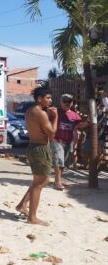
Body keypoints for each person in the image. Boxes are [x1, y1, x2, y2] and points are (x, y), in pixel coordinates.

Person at [16, 87, 58, 226]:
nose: (50, 100)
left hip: (32, 146)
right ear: (39, 99)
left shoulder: (29, 111)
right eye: (48, 98)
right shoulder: (41, 113)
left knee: (43, 180)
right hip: (40, 149)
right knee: (39, 183)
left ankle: (22, 205)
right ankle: (32, 217)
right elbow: (51, 133)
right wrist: (56, 117)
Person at [50, 94, 89, 190]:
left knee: (64, 162)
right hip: (56, 140)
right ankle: (58, 182)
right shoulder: (56, 112)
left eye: (69, 101)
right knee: (59, 161)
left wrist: (88, 121)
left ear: (72, 102)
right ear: (60, 101)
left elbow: (80, 126)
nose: (67, 103)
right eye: (65, 101)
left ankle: (57, 179)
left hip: (68, 141)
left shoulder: (74, 115)